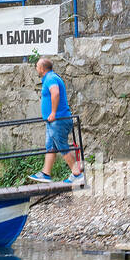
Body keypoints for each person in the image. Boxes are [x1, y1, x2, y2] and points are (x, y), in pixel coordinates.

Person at [29, 57, 85, 186]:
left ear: (42, 68)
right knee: (51, 147)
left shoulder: (51, 78)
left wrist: (53, 113)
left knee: (62, 147)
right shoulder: (49, 78)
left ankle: (77, 174)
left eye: (37, 66)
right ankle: (46, 173)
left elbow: (55, 93)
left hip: (58, 120)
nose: (36, 68)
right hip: (52, 121)